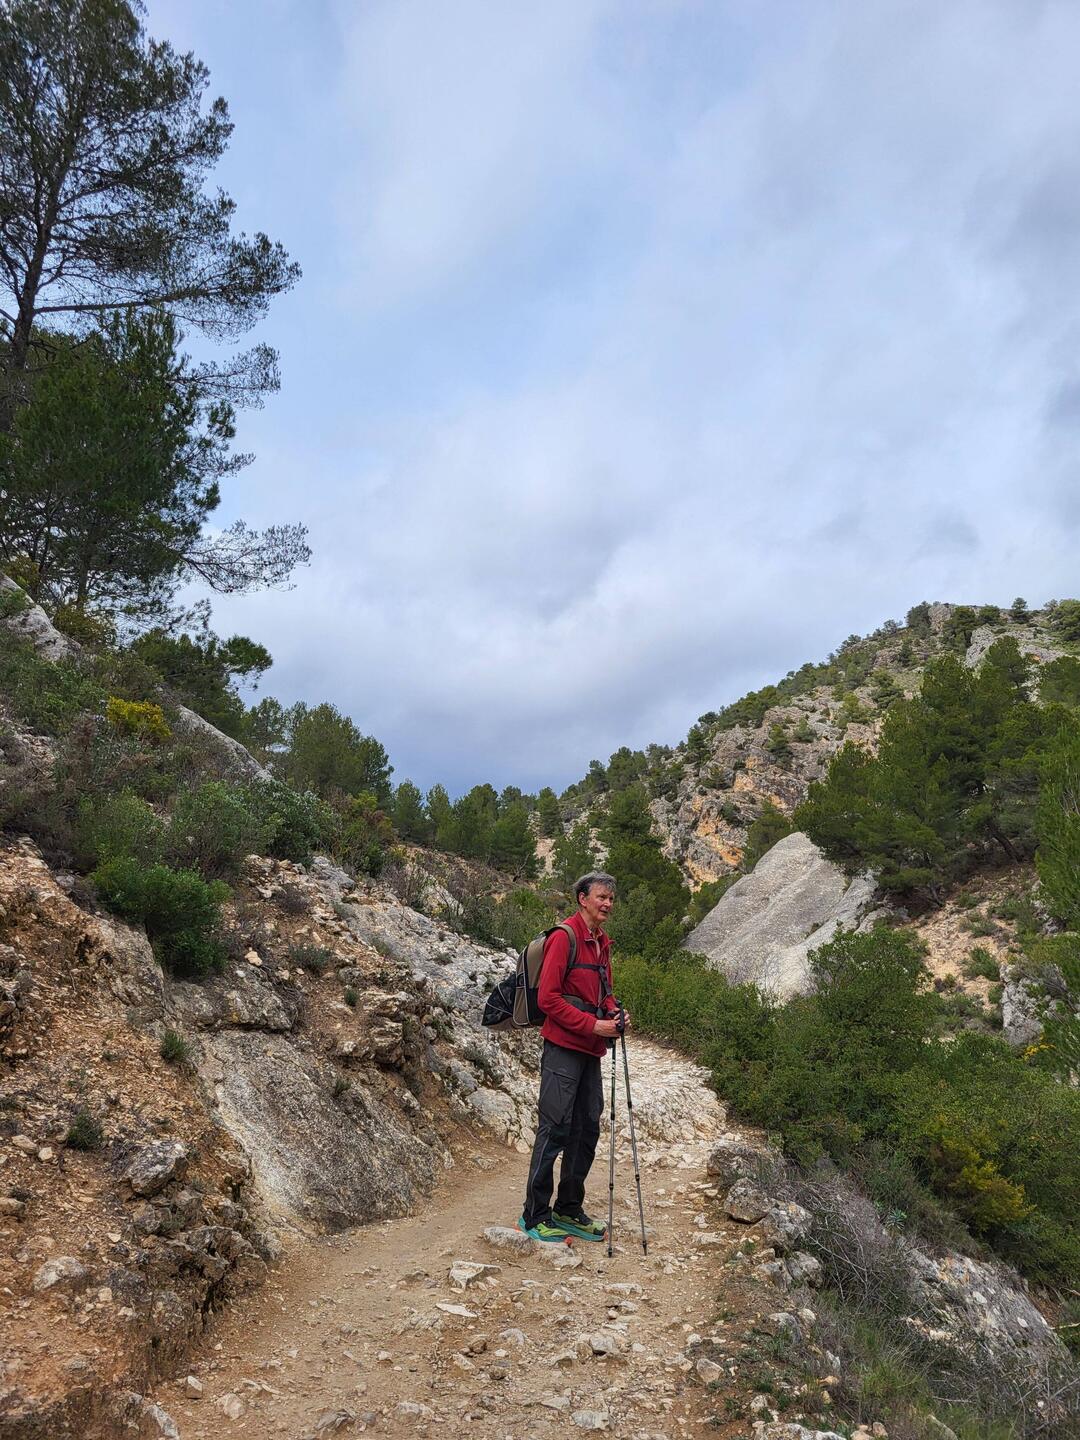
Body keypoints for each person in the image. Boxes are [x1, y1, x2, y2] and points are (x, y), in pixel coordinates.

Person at [518, 871, 631, 1242]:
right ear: (582, 898)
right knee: (554, 1128)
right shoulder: (564, 938)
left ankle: (568, 1209)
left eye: (611, 899)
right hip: (563, 1049)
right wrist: (593, 1026)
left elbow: (605, 992)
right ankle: (534, 1217)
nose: (607, 904)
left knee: (586, 1129)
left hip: (590, 1052)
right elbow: (548, 999)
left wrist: (615, 1014)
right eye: (601, 897)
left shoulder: (601, 943)